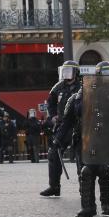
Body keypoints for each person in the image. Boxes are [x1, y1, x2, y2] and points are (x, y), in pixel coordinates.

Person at [63, 61, 109, 217]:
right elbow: (78, 110)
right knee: (88, 171)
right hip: (97, 138)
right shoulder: (89, 90)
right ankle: (88, 209)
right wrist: (84, 93)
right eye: (106, 74)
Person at [39, 60, 81, 197]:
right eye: (65, 71)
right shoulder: (57, 87)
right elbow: (50, 102)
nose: (66, 74)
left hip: (77, 125)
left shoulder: (82, 87)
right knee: (53, 153)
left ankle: (84, 187)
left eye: (69, 71)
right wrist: (53, 116)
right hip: (62, 125)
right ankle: (54, 186)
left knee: (81, 156)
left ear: (76, 72)